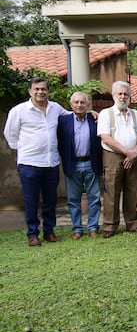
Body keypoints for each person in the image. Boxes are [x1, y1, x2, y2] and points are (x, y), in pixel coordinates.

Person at [4, 77, 69, 245]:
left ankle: (49, 231)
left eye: (43, 89)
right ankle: (32, 234)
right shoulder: (19, 111)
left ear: (48, 91)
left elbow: (70, 117)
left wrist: (91, 113)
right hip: (29, 164)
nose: (40, 92)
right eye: (37, 89)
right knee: (31, 200)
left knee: (50, 200)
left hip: (51, 163)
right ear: (30, 91)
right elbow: (10, 134)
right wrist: (25, 149)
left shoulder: (55, 108)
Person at [97, 81, 137, 237]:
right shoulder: (106, 113)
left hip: (133, 156)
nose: (123, 96)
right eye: (120, 93)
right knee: (111, 192)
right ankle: (110, 227)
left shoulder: (135, 114)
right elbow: (105, 138)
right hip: (113, 157)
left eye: (126, 94)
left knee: (132, 192)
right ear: (113, 95)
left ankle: (132, 225)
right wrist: (127, 152)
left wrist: (134, 153)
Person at [57, 91, 103, 240]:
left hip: (91, 163)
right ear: (71, 105)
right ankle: (77, 229)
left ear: (88, 105)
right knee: (73, 199)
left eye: (82, 102)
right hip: (73, 164)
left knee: (94, 198)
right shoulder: (63, 121)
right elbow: (58, 142)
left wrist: (93, 113)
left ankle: (93, 228)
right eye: (76, 102)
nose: (79, 105)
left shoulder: (95, 119)